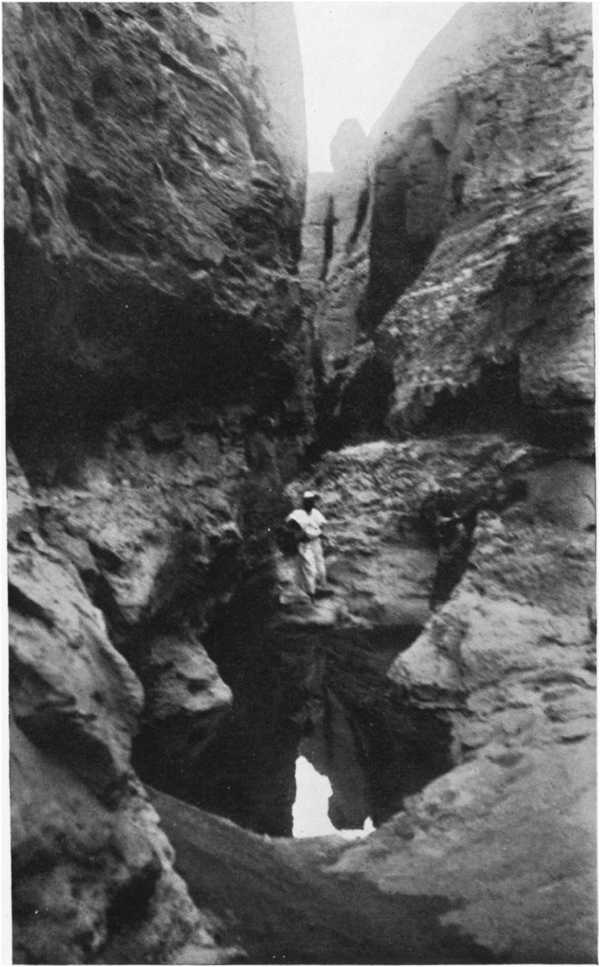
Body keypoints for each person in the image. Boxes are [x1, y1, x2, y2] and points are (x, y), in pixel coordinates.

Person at [285, 491, 328, 600]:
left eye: (311, 501)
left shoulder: (316, 513)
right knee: (310, 569)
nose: (310, 503)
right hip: (305, 545)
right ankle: (311, 593)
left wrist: (321, 534)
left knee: (320, 567)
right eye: (307, 501)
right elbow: (288, 523)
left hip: (316, 542)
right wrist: (299, 532)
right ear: (304, 502)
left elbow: (322, 525)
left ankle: (322, 587)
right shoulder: (298, 513)